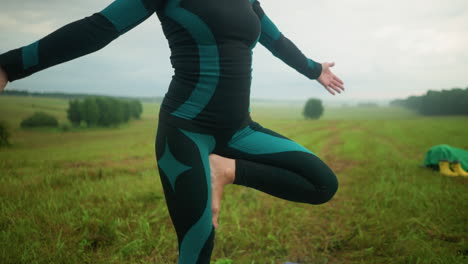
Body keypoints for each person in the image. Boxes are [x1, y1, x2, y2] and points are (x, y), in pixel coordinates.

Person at [0, 0, 345, 263]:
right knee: (198, 245)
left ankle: (224, 169)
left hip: (240, 130)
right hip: (186, 131)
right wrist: (9, 66)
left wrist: (316, 70)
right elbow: (98, 28)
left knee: (322, 184)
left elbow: (277, 41)